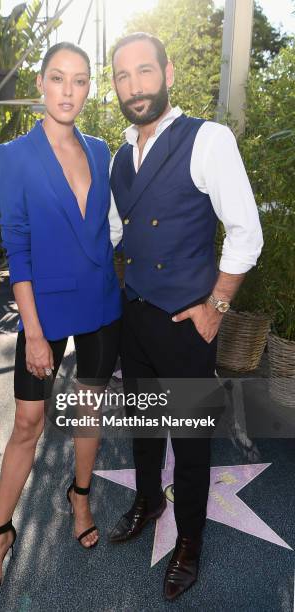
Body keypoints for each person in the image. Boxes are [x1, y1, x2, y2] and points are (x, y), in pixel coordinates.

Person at [108, 33, 263, 601]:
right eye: (123, 76)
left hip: (186, 324)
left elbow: (247, 231)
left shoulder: (208, 138)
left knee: (191, 441)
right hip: (137, 317)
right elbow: (118, 233)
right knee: (145, 427)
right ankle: (149, 501)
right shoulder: (121, 154)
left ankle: (190, 541)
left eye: (144, 72)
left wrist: (216, 306)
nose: (135, 86)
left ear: (168, 72)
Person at [0, 42, 121, 601]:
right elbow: (18, 245)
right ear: (40, 83)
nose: (68, 90)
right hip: (46, 313)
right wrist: (33, 332)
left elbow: (106, 224)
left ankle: (79, 495)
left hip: (103, 304)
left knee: (90, 407)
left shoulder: (102, 150)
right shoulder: (15, 156)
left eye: (80, 81)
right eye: (58, 78)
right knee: (28, 424)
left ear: (88, 88)